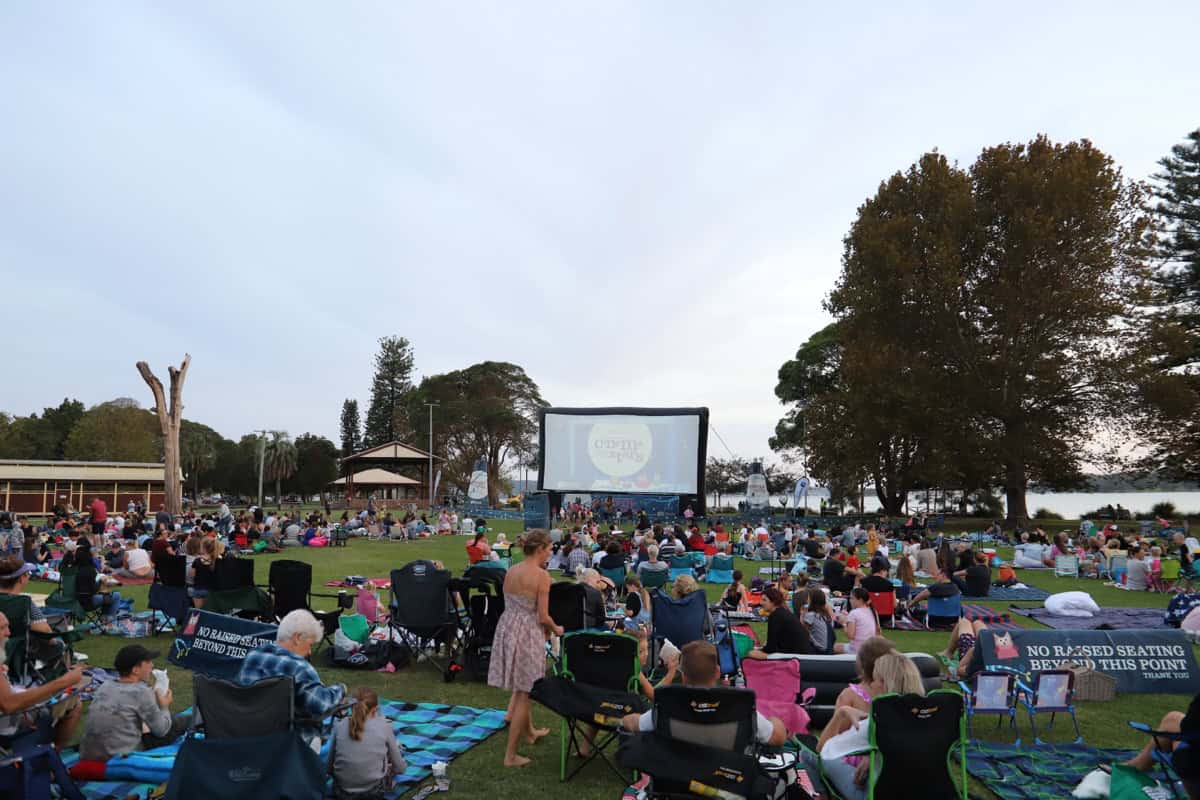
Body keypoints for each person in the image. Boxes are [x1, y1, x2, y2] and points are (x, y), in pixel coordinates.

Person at [805, 652, 926, 800]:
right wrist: (874, 755)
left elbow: (823, 750)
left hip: (873, 794)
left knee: (808, 754)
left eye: (875, 680)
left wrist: (841, 713)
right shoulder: (930, 721)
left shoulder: (874, 724)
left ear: (885, 684)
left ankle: (820, 796)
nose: (872, 685)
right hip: (921, 791)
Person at [489, 530, 562, 768]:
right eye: (549, 549)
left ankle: (529, 733)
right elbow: (543, 615)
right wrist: (556, 628)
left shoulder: (511, 570)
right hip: (527, 632)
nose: (550, 553)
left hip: (507, 627)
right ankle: (510, 756)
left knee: (522, 685)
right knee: (525, 692)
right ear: (540, 549)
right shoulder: (542, 576)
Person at [622, 641, 786, 745]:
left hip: (678, 779)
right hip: (726, 779)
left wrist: (625, 718)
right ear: (717, 672)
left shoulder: (670, 704)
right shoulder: (738, 704)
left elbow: (634, 723)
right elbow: (777, 737)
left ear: (684, 677)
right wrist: (775, 721)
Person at [237, 610, 347, 742]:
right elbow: (321, 704)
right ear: (297, 638)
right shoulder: (299, 667)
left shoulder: (252, 656)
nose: (309, 651)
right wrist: (341, 689)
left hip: (250, 737)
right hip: (291, 742)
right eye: (310, 644)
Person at [79, 644, 192, 762]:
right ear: (135, 670)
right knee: (184, 721)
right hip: (120, 757)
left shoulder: (105, 686)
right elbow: (161, 730)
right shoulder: (141, 692)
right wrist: (164, 706)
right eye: (148, 662)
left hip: (89, 754)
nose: (152, 665)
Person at [0, 611, 87, 750]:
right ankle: (52, 755)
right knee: (73, 703)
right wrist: (64, 681)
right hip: (5, 725)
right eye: (2, 628)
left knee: (47, 695)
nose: (8, 633)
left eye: (7, 627)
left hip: (8, 712)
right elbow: (9, 705)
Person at [328, 687, 407, 799]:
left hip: (341, 792)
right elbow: (400, 768)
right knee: (397, 750)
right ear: (376, 708)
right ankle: (389, 782)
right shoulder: (384, 726)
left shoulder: (339, 725)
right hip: (372, 793)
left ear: (351, 707)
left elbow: (329, 767)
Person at [1122, 692, 1200, 800]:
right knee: (1172, 719)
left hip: (1192, 765)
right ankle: (1133, 766)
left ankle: (1131, 768)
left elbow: (1188, 727)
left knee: (1187, 747)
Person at [746, 587, 814, 657]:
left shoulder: (775, 616)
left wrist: (760, 650)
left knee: (751, 654)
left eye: (764, 600)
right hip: (803, 652)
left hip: (797, 657)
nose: (761, 603)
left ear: (773, 602)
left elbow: (770, 649)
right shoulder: (782, 612)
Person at [834, 588, 878, 654]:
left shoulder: (854, 613)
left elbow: (850, 636)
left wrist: (844, 623)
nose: (850, 600)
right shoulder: (873, 611)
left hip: (857, 649)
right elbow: (877, 632)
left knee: (830, 647)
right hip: (869, 648)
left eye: (852, 598)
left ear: (860, 600)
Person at [797, 588, 836, 653]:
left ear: (812, 601)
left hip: (819, 650)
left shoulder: (811, 615)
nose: (807, 600)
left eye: (808, 598)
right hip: (828, 648)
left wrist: (802, 615)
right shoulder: (824, 615)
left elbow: (802, 631)